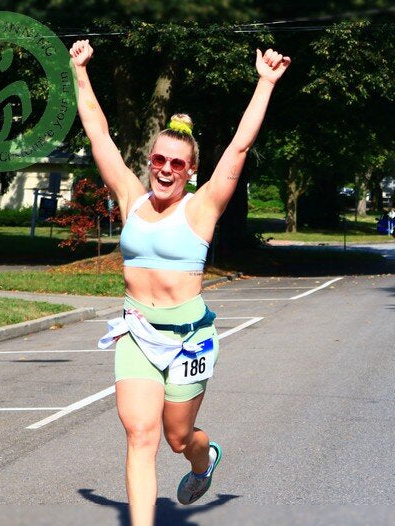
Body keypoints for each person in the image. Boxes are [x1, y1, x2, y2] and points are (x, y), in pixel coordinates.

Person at [70, 39, 290, 525]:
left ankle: (202, 457)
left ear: (190, 172)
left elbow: (239, 146)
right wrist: (80, 72)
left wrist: (265, 83)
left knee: (176, 437)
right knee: (140, 435)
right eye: (158, 160)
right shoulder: (131, 196)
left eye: (176, 164)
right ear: (150, 161)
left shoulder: (203, 207)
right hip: (139, 334)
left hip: (189, 340)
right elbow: (99, 134)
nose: (164, 169)